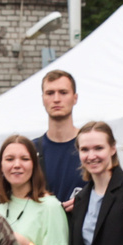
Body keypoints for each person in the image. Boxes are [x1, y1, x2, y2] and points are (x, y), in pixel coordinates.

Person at [36, 70, 84, 206]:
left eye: (63, 92)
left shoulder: (93, 146)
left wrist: (86, 202)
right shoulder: (30, 151)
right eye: (50, 93)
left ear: (75, 98)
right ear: (43, 99)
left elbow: (112, 191)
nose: (56, 99)